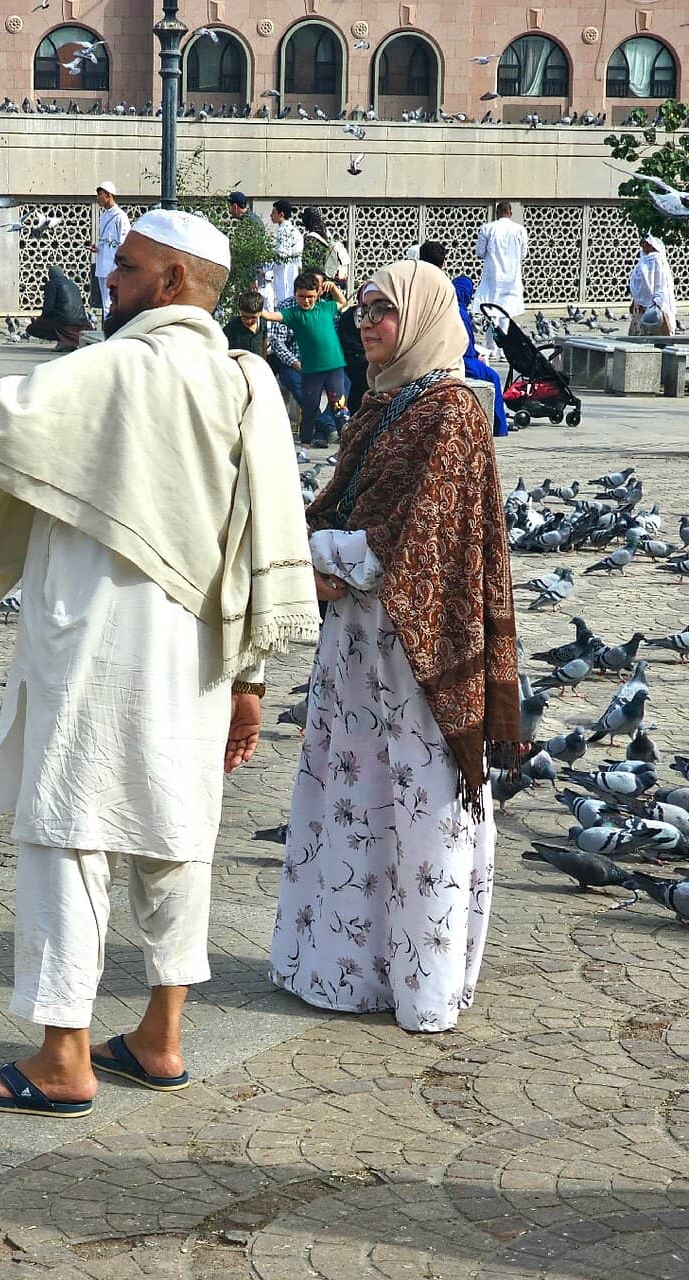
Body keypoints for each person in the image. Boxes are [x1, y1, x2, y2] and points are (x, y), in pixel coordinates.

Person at [0, 209, 320, 1117]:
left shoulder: (128, 364)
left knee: (68, 831)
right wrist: (251, 683)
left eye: (126, 269)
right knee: (177, 836)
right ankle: (160, 1039)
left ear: (172, 281)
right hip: (201, 653)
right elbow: (261, 540)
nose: (110, 281)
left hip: (100, 643)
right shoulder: (246, 380)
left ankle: (63, 1061)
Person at [269, 259, 520, 1033]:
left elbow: (405, 551)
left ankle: (421, 982)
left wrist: (304, 555)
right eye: (366, 308)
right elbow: (334, 516)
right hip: (358, 653)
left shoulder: (450, 412)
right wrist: (312, 551)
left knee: (417, 810)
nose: (369, 322)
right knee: (355, 806)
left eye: (386, 311)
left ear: (421, 319)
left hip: (418, 656)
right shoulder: (381, 408)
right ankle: (348, 971)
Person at [261, 271, 350, 447]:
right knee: (309, 408)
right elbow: (271, 316)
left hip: (334, 367)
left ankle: (345, 448)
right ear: (295, 294)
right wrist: (257, 308)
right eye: (301, 296)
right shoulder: (293, 313)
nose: (306, 301)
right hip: (309, 369)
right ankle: (305, 447)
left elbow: (342, 302)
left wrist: (332, 288)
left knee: (339, 408)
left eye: (310, 296)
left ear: (317, 293)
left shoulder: (326, 307)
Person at [452, 276, 508, 437]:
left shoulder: (449, 307)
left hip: (457, 356)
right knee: (492, 377)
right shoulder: (461, 313)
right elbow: (465, 346)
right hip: (462, 360)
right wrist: (476, 356)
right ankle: (499, 427)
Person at [473, 201, 529, 351]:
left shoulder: (487, 228)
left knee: (491, 314)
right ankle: (505, 351)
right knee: (506, 315)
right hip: (512, 278)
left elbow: (479, 253)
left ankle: (491, 349)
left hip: (493, 278)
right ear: (510, 213)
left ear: (496, 213)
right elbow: (523, 254)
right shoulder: (520, 230)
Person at [27, 264, 92, 350]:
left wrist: (41, 320)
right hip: (81, 320)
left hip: (63, 320)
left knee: (33, 328)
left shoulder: (51, 284)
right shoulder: (73, 284)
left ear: (50, 275)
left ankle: (63, 342)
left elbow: (48, 307)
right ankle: (67, 342)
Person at [91, 181, 130, 322]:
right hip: (102, 264)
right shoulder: (103, 216)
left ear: (108, 195)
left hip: (113, 266)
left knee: (113, 301)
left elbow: (124, 242)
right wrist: (98, 248)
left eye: (100, 195)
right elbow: (106, 241)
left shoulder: (120, 216)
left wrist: (119, 265)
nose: (98, 198)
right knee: (105, 302)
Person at [629, 235, 676, 336]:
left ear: (652, 245)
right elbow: (640, 283)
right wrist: (634, 300)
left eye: (646, 244)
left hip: (654, 304)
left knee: (657, 333)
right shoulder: (643, 260)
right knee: (638, 338)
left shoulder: (658, 260)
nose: (644, 246)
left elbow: (661, 283)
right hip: (640, 306)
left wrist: (658, 301)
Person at [269, 199, 303, 304]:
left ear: (281, 214)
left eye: (274, 212)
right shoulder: (296, 231)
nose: (271, 215)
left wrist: (265, 269)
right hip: (293, 272)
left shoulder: (283, 232)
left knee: (283, 302)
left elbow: (281, 256)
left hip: (283, 273)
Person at [223, 289, 267, 356]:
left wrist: (264, 361)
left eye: (253, 318)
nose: (249, 321)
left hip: (257, 363)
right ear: (240, 311)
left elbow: (264, 344)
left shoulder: (263, 323)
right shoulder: (233, 325)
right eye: (245, 317)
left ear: (260, 313)